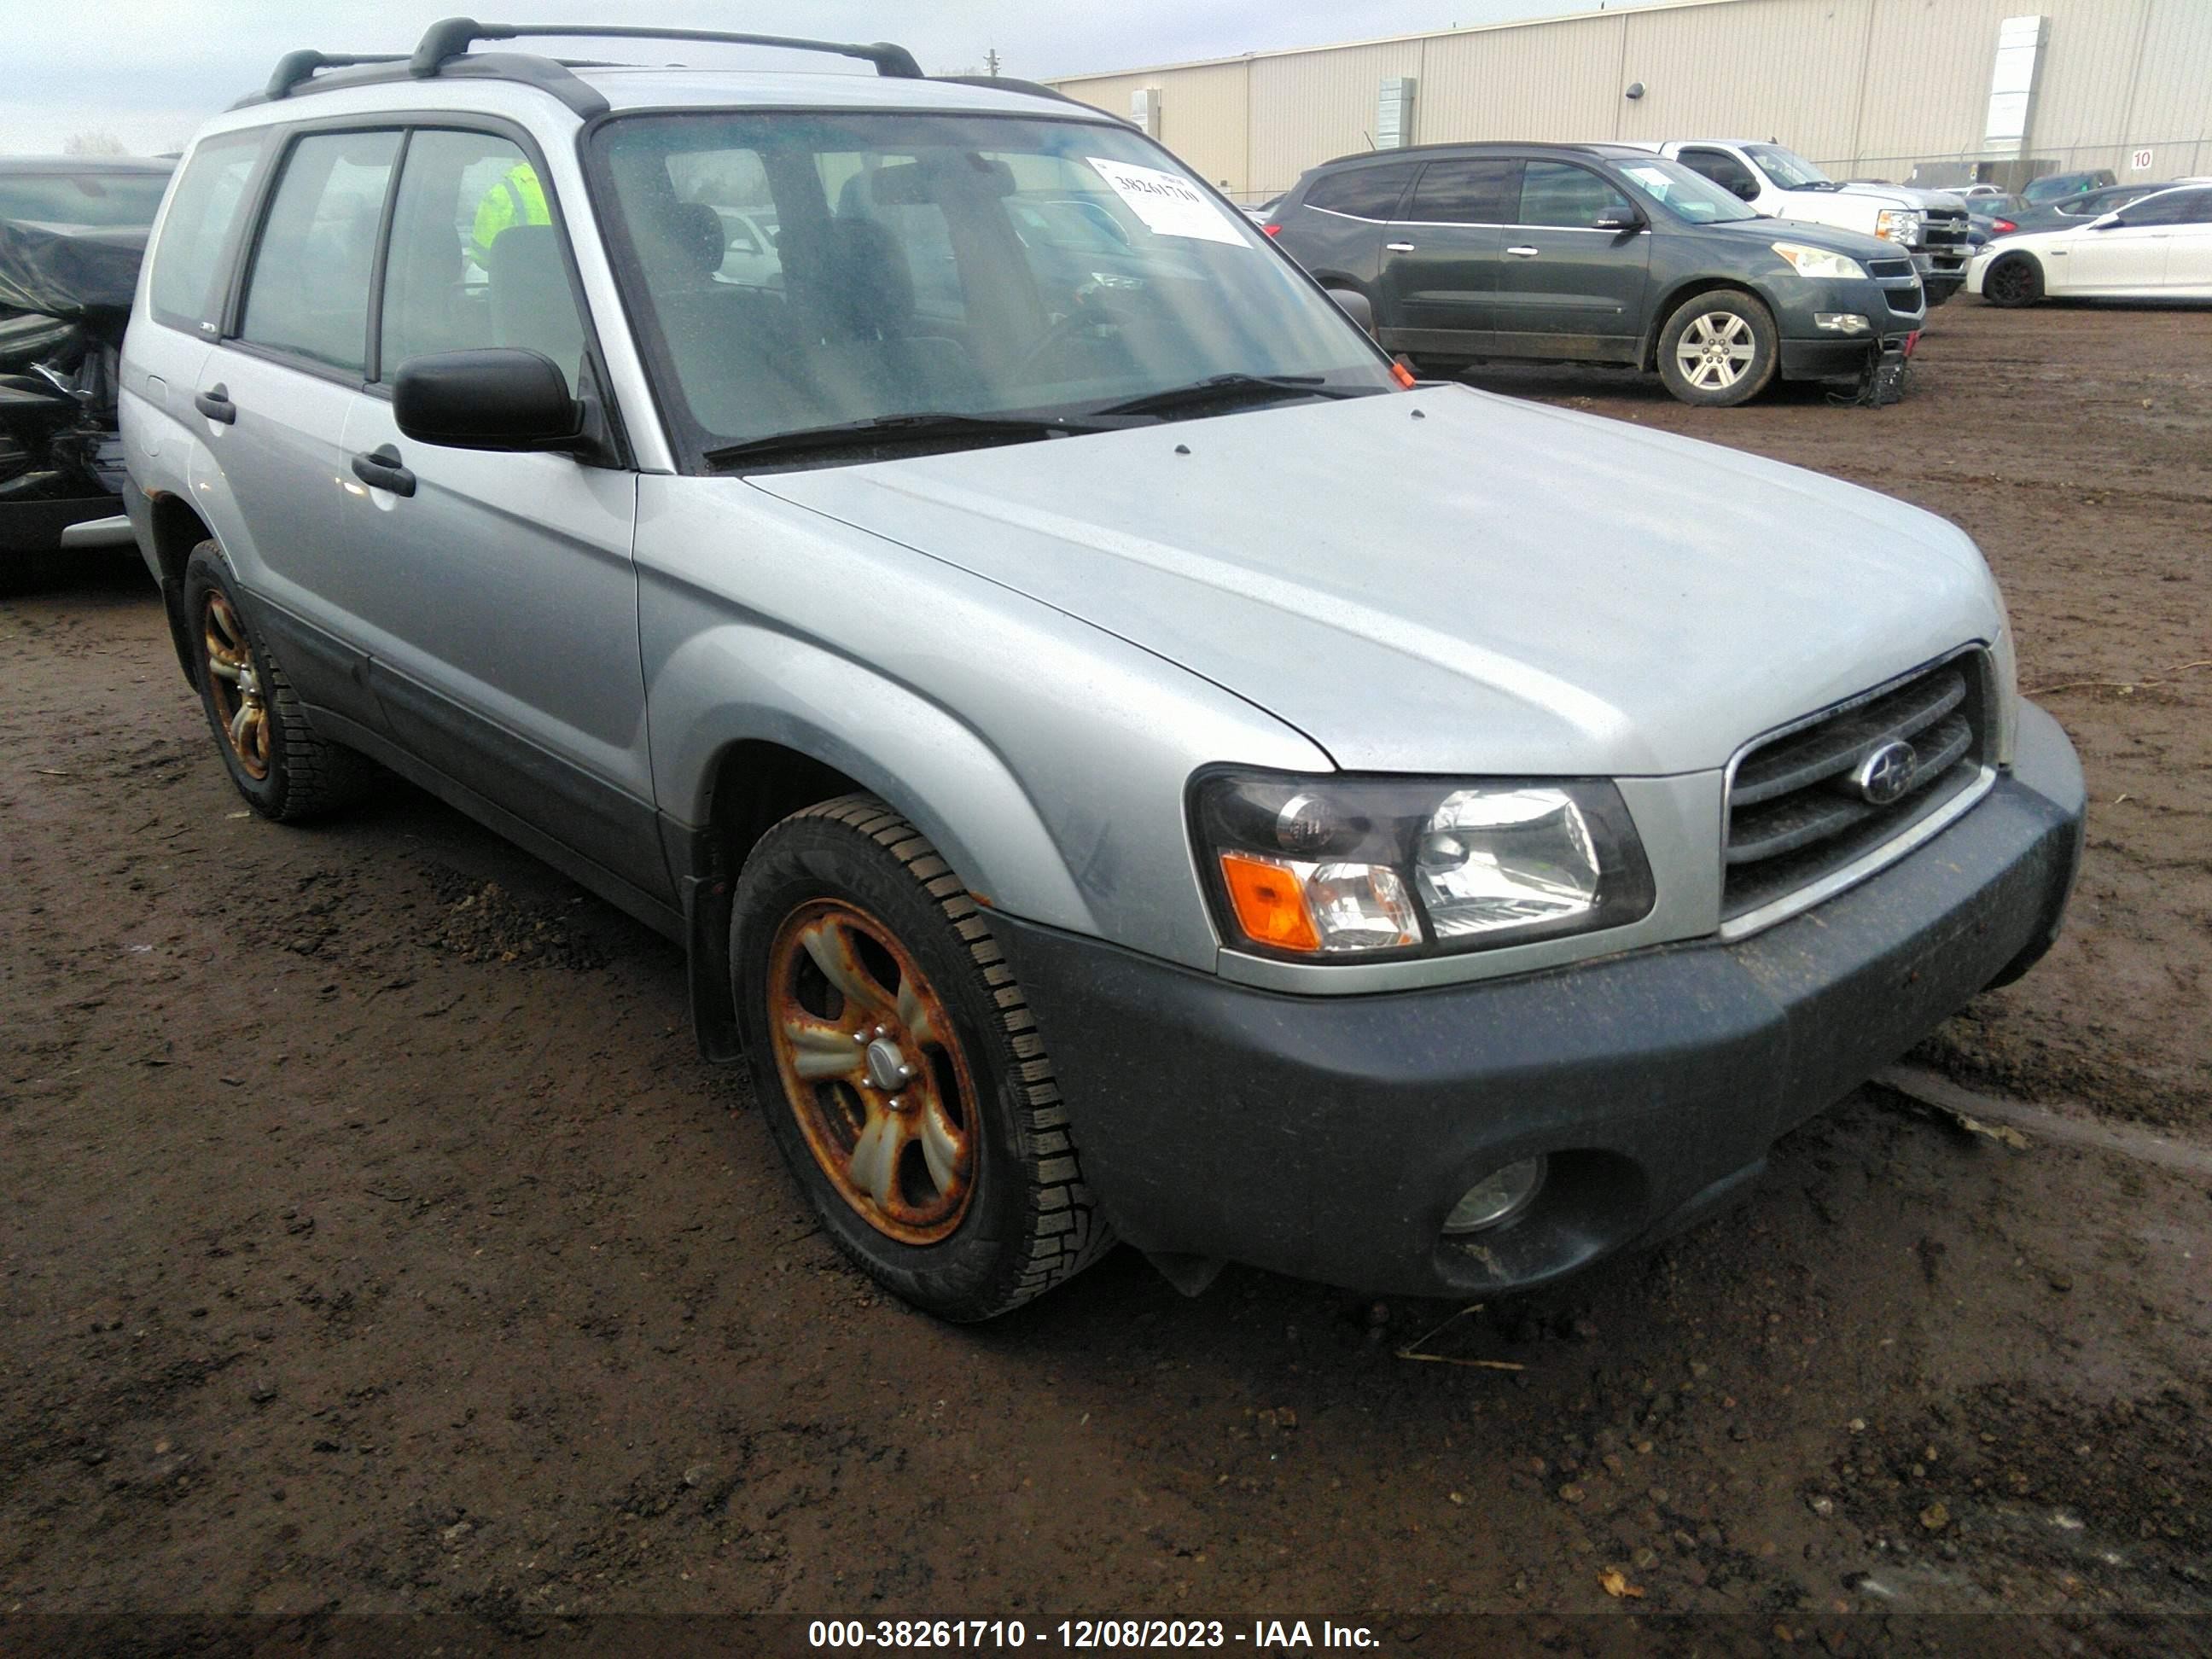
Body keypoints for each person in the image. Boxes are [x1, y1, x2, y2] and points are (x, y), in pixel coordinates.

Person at [470, 160, 550, 267]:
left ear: (517, 159)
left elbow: (482, 256)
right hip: (571, 279)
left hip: (519, 280)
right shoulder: (571, 185)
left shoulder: (502, 193)